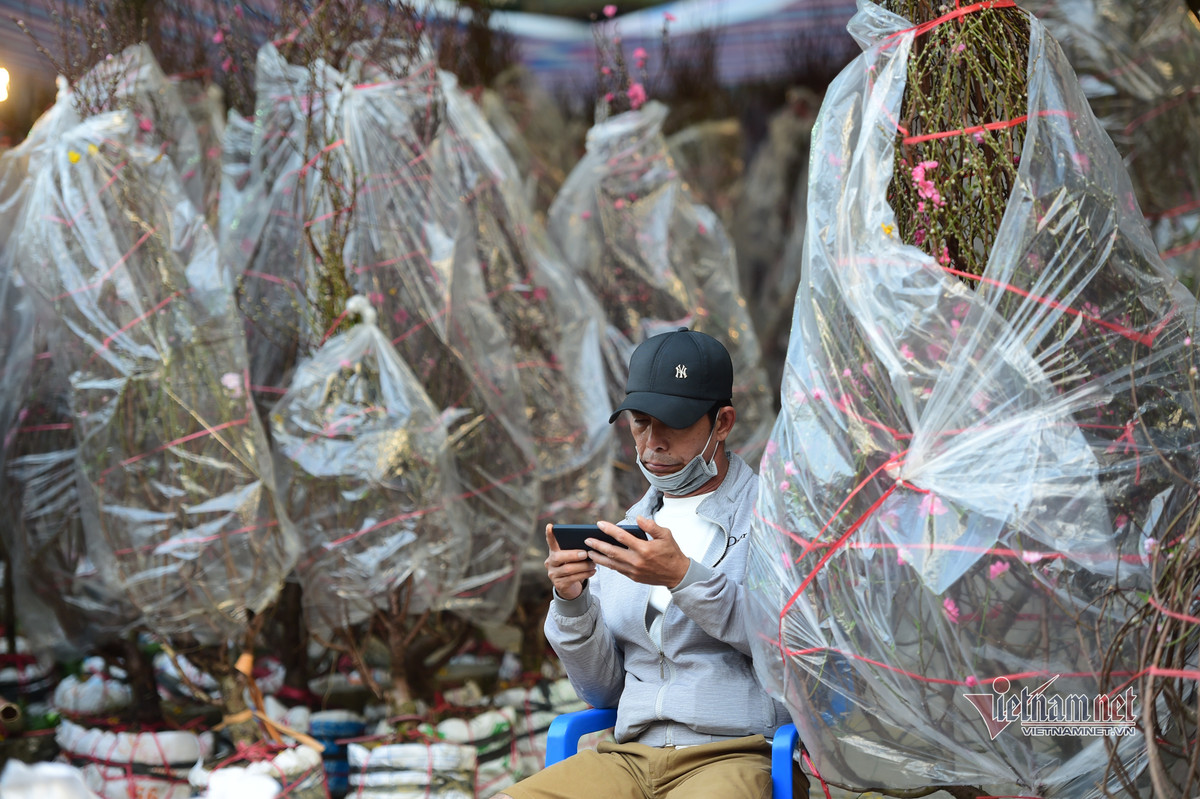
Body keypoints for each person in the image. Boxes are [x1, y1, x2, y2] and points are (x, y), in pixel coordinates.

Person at [493, 328, 803, 799]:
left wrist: (683, 577)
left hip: (733, 752)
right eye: (640, 422)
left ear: (722, 422)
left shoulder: (774, 520)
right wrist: (573, 602)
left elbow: (787, 648)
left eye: (672, 423)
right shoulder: (624, 533)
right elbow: (602, 692)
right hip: (631, 757)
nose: (652, 442)